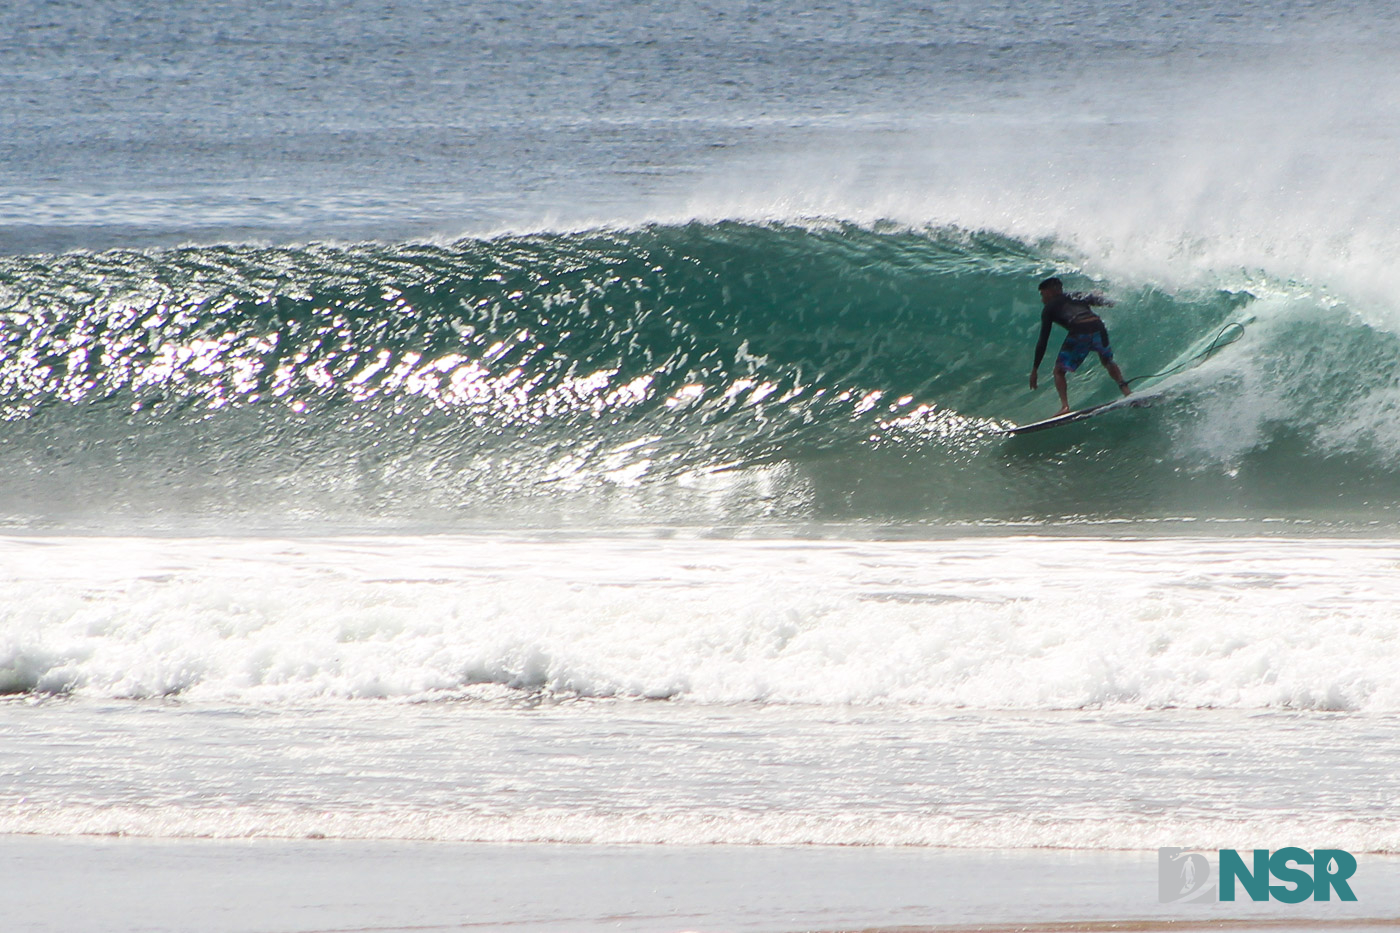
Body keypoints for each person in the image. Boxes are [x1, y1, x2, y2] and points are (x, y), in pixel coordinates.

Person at [1029, 277, 1131, 416]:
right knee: (1108, 361)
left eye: (1042, 294)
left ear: (1050, 292)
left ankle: (1065, 406)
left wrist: (1035, 369)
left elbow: (1043, 339)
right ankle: (1126, 391)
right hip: (1097, 326)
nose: (1042, 299)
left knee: (1059, 371)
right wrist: (1101, 296)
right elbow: (1107, 302)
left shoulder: (1049, 308)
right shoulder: (1076, 295)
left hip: (1080, 330)